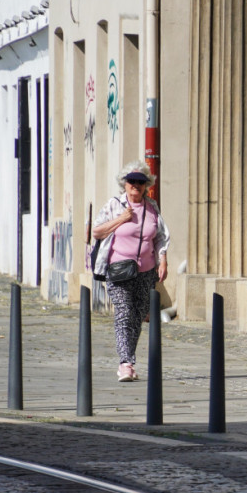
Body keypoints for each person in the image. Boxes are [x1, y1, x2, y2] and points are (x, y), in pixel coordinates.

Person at [92, 161, 170, 382]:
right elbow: (97, 231)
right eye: (131, 181)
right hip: (118, 271)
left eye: (140, 182)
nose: (136, 185)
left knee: (137, 316)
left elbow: (161, 236)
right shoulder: (114, 205)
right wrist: (121, 219)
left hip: (146, 272)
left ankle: (128, 360)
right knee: (124, 313)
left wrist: (163, 260)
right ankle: (125, 363)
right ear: (124, 184)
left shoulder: (152, 207)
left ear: (147, 185)